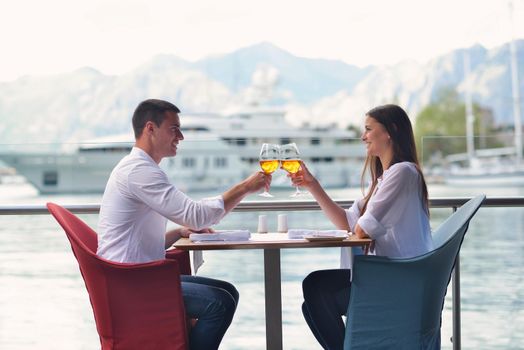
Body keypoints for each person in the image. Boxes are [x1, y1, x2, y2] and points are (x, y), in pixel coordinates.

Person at [97, 99, 270, 350]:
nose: (181, 136)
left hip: (134, 274)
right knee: (219, 303)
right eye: (174, 129)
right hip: (131, 283)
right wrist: (244, 188)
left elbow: (136, 239)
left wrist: (179, 232)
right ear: (150, 129)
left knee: (228, 292)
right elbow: (196, 215)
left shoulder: (139, 168)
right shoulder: (138, 171)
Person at [290, 104, 433, 350]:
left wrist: (358, 226)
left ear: (390, 131)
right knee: (313, 294)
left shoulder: (403, 173)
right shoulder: (384, 179)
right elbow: (348, 222)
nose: (363, 136)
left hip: (399, 281)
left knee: (315, 287)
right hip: (389, 275)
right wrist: (312, 185)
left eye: (368, 129)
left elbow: (361, 231)